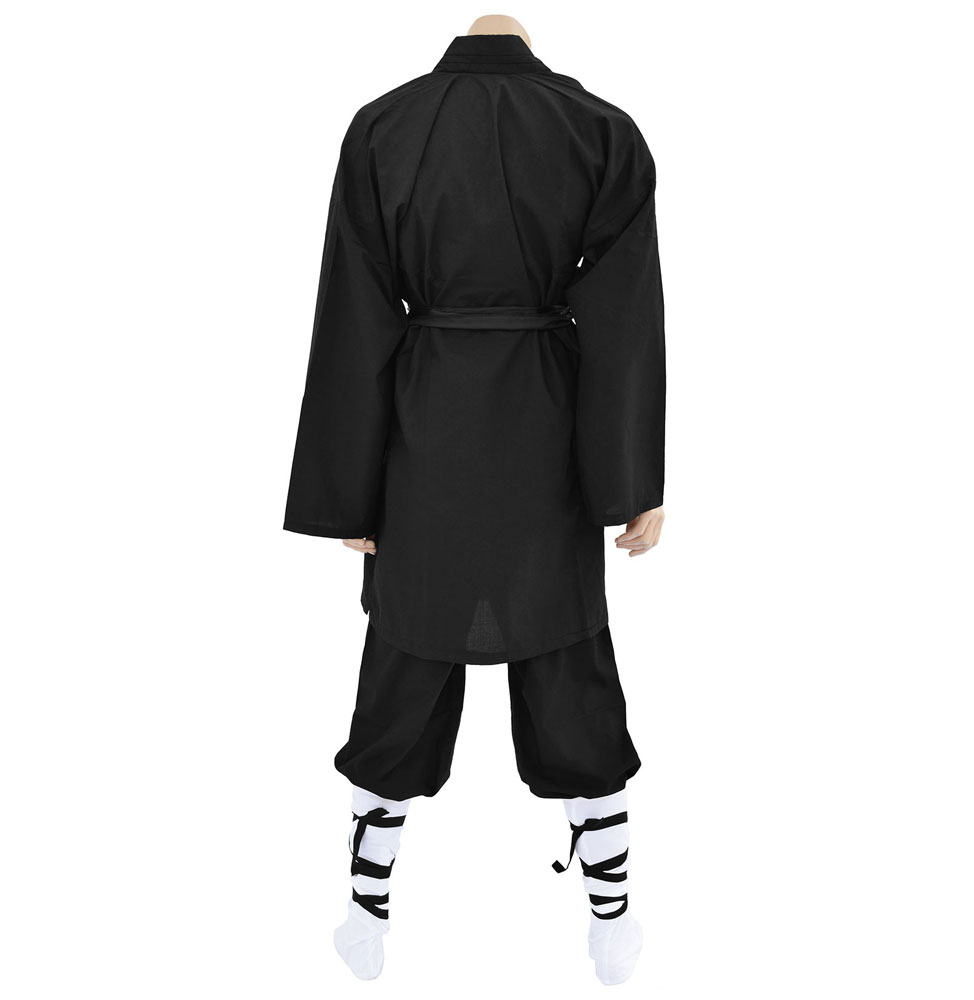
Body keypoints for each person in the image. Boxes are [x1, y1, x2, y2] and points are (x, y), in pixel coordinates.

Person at [283, 14, 665, 985]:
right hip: (547, 426)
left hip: (426, 426)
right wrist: (632, 485)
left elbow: (355, 310)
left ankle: (364, 910)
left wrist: (347, 491)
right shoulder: (601, 130)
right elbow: (624, 318)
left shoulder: (383, 126)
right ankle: (613, 914)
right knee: (568, 656)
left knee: (406, 653)